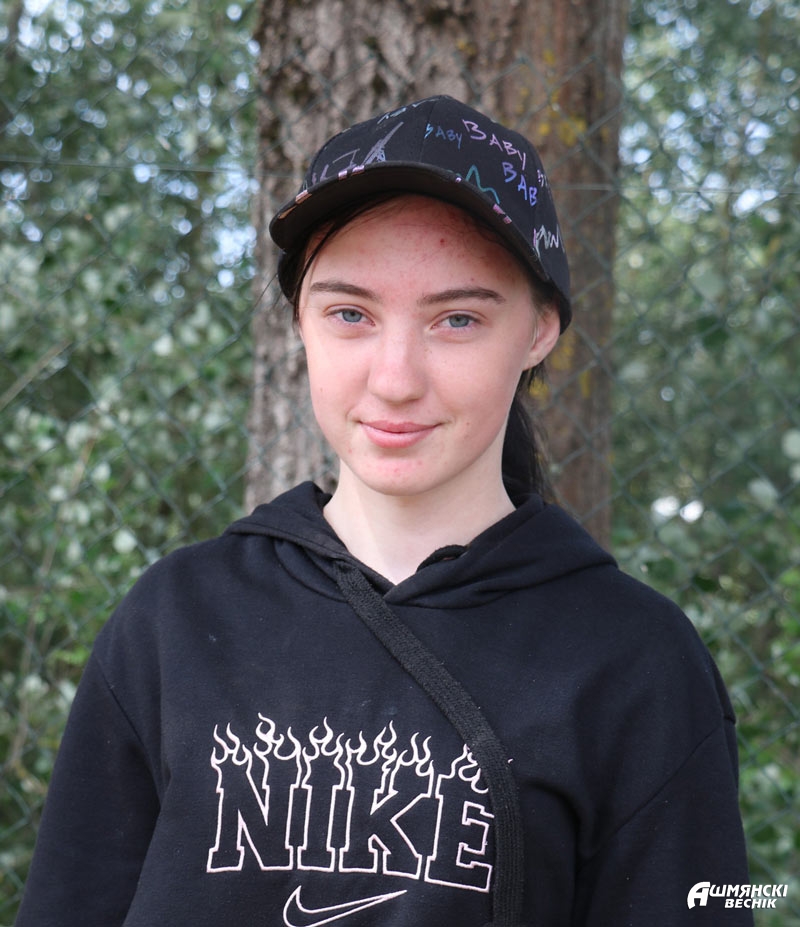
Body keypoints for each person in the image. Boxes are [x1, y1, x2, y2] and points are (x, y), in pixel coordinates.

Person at [17, 95, 752, 926]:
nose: (396, 378)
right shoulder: (173, 622)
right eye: (351, 314)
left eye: (458, 318)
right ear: (300, 321)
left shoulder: (637, 663)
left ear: (540, 330)